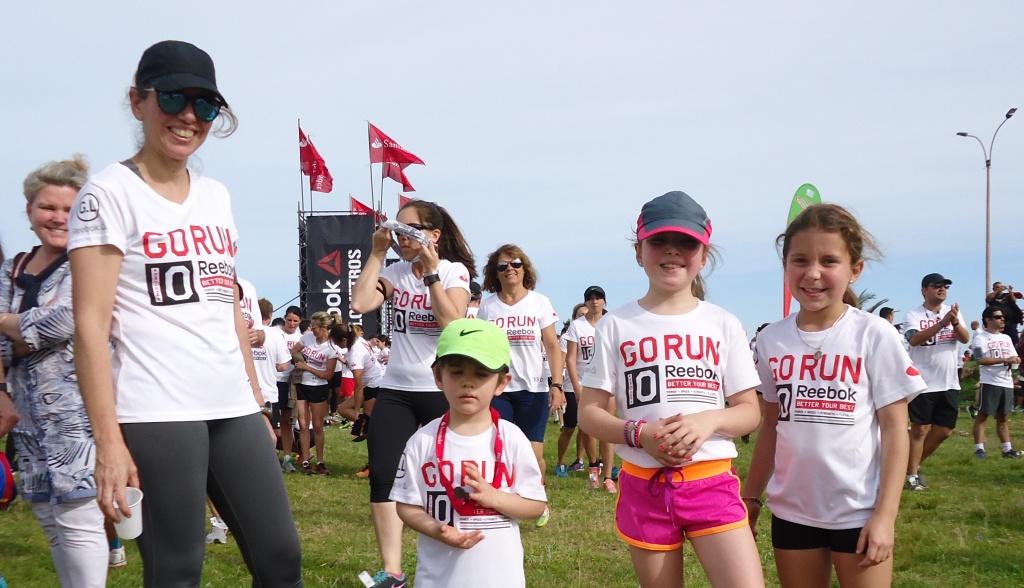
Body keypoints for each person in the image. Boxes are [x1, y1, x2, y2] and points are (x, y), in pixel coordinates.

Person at [67, 40, 301, 585]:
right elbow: (89, 326)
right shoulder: (108, 194)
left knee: (281, 556)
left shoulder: (217, 195)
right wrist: (108, 443)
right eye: (173, 97)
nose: (189, 116)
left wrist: (256, 400)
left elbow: (228, 311)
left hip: (232, 406)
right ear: (138, 102)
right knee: (177, 568)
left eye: (206, 105)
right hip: (155, 409)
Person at [580, 191, 764, 588]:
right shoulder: (616, 324)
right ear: (639, 251)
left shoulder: (722, 323)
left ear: (703, 253)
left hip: (711, 480)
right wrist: (639, 434)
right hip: (643, 485)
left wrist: (709, 420)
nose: (673, 252)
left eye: (686, 243)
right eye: (659, 241)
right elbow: (589, 413)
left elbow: (750, 410)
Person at [743, 203, 925, 587]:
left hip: (859, 514)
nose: (813, 274)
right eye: (800, 260)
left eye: (829, 261)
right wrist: (751, 498)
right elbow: (771, 426)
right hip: (792, 514)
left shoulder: (875, 334)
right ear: (785, 266)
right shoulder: (771, 340)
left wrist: (885, 517)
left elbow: (895, 430)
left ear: (854, 269)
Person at [351, 199, 475, 588]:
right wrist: (375, 253)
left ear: (433, 235)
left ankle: (460, 556)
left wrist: (432, 272)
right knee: (384, 476)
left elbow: (451, 321)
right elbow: (359, 303)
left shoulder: (454, 272)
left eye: (409, 229)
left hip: (442, 392)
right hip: (397, 389)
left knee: (451, 477)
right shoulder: (393, 271)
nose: (401, 237)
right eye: (396, 229)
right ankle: (393, 571)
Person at [1, 156, 109, 586]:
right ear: (29, 211)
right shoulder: (13, 268)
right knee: (49, 518)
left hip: (77, 417)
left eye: (69, 209)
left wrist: (9, 324)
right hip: (27, 420)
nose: (58, 218)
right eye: (48, 207)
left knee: (80, 520)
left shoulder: (89, 263)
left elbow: (64, 323)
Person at [390, 318, 546, 588]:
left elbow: (536, 506)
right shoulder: (421, 441)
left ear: (502, 382)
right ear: (438, 376)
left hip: (501, 579)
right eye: (457, 372)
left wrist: (495, 497)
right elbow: (407, 505)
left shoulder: (512, 439)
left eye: (481, 374)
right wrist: (434, 529)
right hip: (439, 580)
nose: (468, 384)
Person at [476, 244, 564, 526]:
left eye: (515, 264)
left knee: (533, 454)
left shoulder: (539, 302)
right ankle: (505, 501)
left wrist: (557, 384)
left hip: (534, 389)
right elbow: (483, 346)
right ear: (495, 273)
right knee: (498, 448)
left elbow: (552, 345)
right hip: (500, 389)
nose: (509, 269)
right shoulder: (488, 306)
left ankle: (538, 499)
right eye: (502, 266)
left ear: (525, 268)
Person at [901, 273, 969, 491]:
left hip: (949, 382)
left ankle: (910, 466)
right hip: (923, 381)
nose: (942, 289)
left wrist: (955, 322)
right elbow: (914, 339)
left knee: (944, 430)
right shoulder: (913, 314)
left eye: (945, 286)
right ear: (924, 290)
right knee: (919, 430)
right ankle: (911, 476)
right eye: (936, 286)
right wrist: (942, 323)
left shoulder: (953, 313)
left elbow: (965, 338)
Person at [566, 285, 616, 492]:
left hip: (608, 382)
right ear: (585, 302)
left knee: (609, 429)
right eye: (590, 298)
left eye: (598, 298)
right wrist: (576, 386)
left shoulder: (612, 323)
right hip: (587, 382)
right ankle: (593, 467)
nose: (594, 302)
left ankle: (608, 476)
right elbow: (570, 358)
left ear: (604, 301)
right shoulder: (577, 326)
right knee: (588, 428)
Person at [970, 306, 1023, 459]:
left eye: (1003, 317)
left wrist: (1015, 360)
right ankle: (979, 449)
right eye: (998, 317)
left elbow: (1014, 357)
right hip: (990, 382)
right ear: (988, 319)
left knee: (1003, 417)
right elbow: (980, 360)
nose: (1002, 320)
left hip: (1006, 382)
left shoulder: (1006, 338)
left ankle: (1007, 449)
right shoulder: (980, 338)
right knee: (983, 416)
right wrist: (1004, 360)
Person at [291, 311, 338, 475]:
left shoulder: (332, 347)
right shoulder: (307, 337)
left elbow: (328, 375)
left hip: (319, 386)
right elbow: (293, 351)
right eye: (311, 326)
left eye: (315, 327)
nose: (312, 329)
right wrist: (299, 360)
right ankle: (305, 459)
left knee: (317, 425)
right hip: (302, 384)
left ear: (324, 328)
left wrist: (307, 367)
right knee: (303, 424)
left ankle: (320, 461)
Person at [554, 302, 590, 476]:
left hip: (591, 386)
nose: (584, 317)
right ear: (574, 317)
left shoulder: (595, 331)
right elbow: (561, 361)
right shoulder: (567, 337)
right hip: (570, 386)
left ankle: (579, 460)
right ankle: (560, 463)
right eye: (580, 314)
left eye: (586, 313)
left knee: (586, 427)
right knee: (569, 427)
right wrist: (559, 387)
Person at [273, 305, 304, 471]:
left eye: (295, 321)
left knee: (286, 421)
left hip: (290, 383)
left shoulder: (301, 337)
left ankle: (286, 457)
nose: (292, 323)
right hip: (272, 380)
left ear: (300, 322)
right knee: (270, 421)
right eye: (289, 320)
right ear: (284, 318)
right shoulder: (275, 333)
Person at [986, 282, 1023, 347]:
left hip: (1010, 322)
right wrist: (997, 291)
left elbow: (1014, 301)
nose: (1000, 288)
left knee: (1014, 340)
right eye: (997, 287)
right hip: (997, 322)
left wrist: (1010, 292)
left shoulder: (1007, 295)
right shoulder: (992, 296)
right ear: (993, 288)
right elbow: (988, 299)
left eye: (1001, 286)